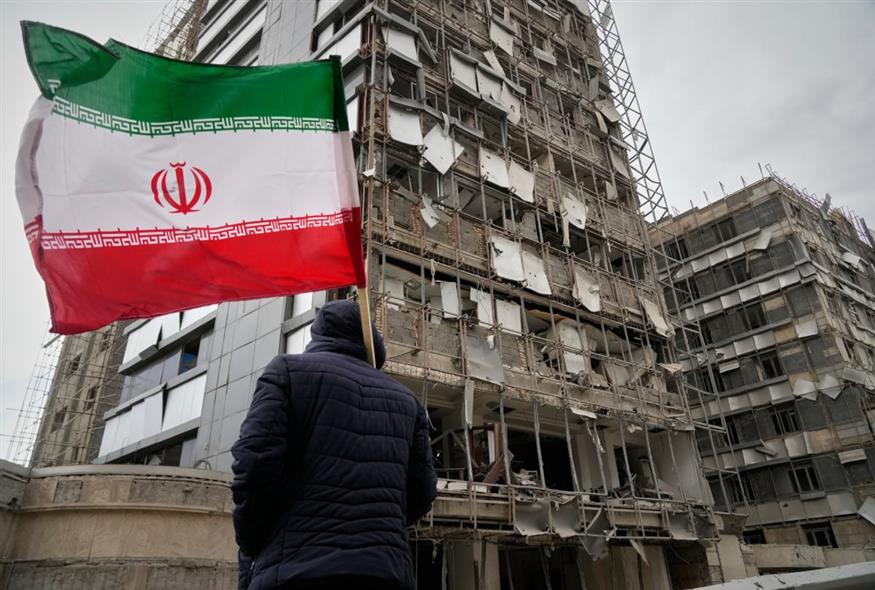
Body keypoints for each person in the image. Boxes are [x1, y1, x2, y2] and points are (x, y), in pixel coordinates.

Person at [231, 299, 437, 590]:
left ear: (319, 334)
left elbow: (253, 465)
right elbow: (423, 492)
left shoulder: (286, 372)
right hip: (386, 571)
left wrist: (254, 542)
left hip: (295, 568)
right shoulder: (408, 401)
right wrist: (380, 527)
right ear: (372, 340)